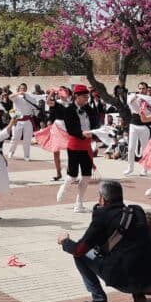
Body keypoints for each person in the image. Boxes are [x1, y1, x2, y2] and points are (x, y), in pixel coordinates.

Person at [58, 180, 151, 302]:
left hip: (122, 278)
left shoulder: (102, 217)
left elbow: (80, 249)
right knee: (134, 252)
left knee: (80, 256)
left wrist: (65, 242)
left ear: (102, 199)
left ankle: (99, 301)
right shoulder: (137, 211)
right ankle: (139, 297)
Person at [56, 85, 100, 213]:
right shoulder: (69, 110)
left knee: (86, 176)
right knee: (73, 175)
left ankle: (79, 204)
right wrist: (82, 133)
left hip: (87, 145)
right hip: (75, 143)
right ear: (76, 96)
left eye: (87, 96)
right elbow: (70, 129)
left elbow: (95, 122)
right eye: (84, 97)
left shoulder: (90, 109)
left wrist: (96, 132)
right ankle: (64, 186)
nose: (86, 99)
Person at [34, 87, 71, 181]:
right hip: (57, 127)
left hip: (68, 128)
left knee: (71, 151)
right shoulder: (57, 102)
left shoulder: (71, 104)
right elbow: (47, 102)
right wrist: (52, 92)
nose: (63, 93)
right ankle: (58, 173)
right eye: (62, 91)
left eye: (65, 91)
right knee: (56, 151)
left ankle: (70, 172)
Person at [123, 83, 151, 177]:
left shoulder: (150, 100)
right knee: (131, 147)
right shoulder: (133, 96)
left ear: (147, 89)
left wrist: (146, 105)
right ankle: (130, 168)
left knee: (145, 148)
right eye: (140, 88)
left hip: (145, 126)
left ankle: (145, 169)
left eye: (143, 88)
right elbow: (129, 101)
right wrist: (137, 96)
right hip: (133, 124)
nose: (141, 90)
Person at [8, 83, 42, 161]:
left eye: (24, 88)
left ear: (26, 89)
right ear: (19, 89)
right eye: (21, 88)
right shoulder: (16, 97)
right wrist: (18, 93)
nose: (23, 89)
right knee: (15, 138)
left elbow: (35, 104)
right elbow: (10, 97)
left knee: (27, 140)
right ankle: (11, 151)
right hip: (18, 120)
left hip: (28, 120)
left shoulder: (29, 96)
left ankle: (26, 155)